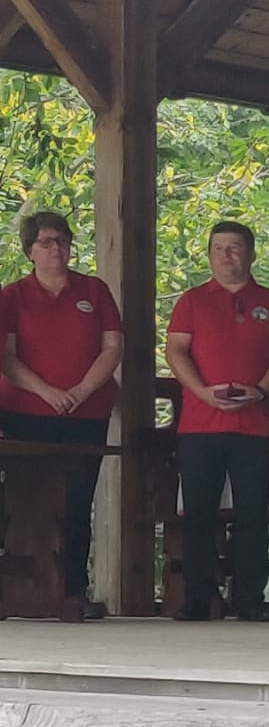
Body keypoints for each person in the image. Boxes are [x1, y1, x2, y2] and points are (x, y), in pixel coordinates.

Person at [165, 220, 269, 622]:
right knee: (198, 516)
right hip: (199, 426)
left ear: (251, 254)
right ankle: (198, 598)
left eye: (235, 247)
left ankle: (250, 598)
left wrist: (260, 390)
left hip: (252, 426)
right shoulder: (192, 301)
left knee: (252, 515)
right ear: (209, 255)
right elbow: (175, 351)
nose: (226, 256)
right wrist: (202, 392)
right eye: (218, 248)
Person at [0, 209, 122, 622]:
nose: (57, 249)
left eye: (63, 241)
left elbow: (112, 347)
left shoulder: (94, 290)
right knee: (22, 500)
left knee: (77, 501)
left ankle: (73, 590)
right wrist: (46, 391)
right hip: (26, 412)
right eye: (47, 242)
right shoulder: (13, 296)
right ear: (29, 250)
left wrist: (82, 390)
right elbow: (8, 358)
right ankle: (18, 587)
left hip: (86, 413)